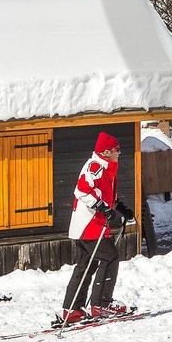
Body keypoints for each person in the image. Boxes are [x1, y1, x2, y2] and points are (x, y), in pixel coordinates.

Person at [59, 131, 131, 325]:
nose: (119, 152)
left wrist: (121, 208)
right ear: (106, 152)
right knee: (110, 257)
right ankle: (101, 304)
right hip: (89, 224)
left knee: (87, 264)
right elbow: (81, 190)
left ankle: (72, 309)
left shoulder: (106, 168)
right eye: (117, 149)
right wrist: (100, 207)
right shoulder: (95, 166)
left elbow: (104, 193)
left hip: (90, 224)